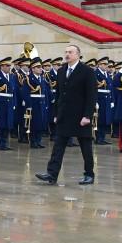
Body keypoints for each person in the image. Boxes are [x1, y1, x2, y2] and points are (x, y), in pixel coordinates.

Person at [36, 44, 97, 185]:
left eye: (70, 52)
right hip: (65, 115)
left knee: (86, 147)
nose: (67, 54)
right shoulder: (62, 70)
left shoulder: (87, 71)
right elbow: (59, 94)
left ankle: (89, 174)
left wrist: (88, 115)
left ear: (78, 54)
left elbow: (91, 96)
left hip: (81, 116)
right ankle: (52, 173)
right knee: (58, 146)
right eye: (66, 52)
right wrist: (57, 113)